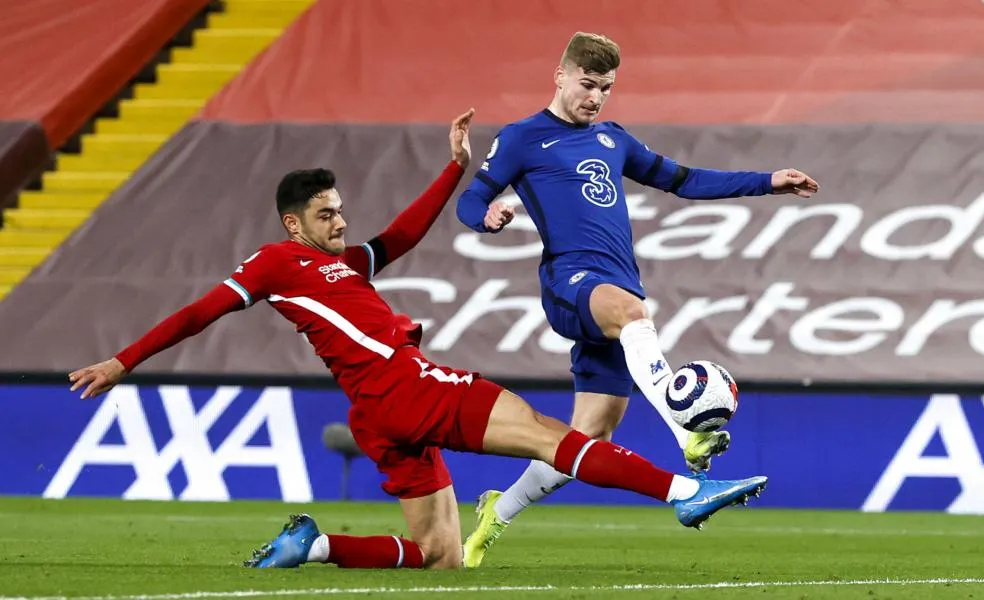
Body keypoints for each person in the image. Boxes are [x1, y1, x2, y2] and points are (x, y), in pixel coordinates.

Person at [69, 109, 768, 571]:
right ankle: (681, 489)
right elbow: (200, 312)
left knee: (441, 555)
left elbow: (397, 237)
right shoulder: (277, 264)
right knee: (545, 432)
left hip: (377, 412)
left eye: (341, 210)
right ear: (292, 224)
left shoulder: (340, 264)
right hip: (403, 385)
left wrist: (452, 170)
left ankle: (315, 547)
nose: (340, 222)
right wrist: (123, 360)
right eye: (325, 214)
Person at [456, 32, 818, 567]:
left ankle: (496, 511)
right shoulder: (522, 138)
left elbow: (685, 181)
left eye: (605, 88)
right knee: (633, 313)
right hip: (570, 284)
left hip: (616, 288)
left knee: (586, 439)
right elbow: (472, 198)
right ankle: (688, 438)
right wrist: (487, 218)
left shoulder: (612, 139)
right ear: (559, 75)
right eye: (587, 84)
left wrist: (767, 181)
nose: (596, 98)